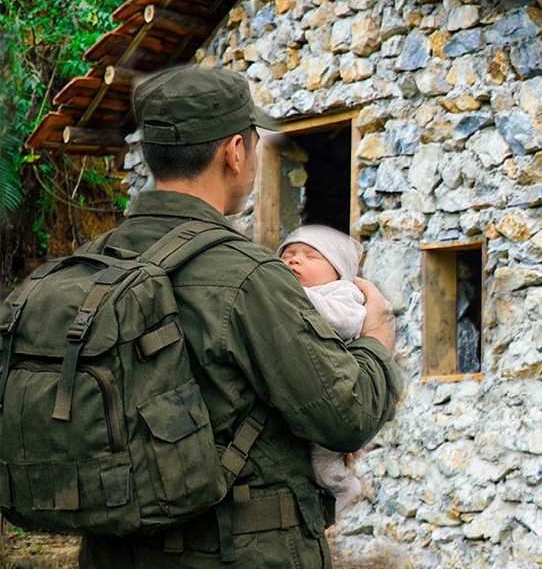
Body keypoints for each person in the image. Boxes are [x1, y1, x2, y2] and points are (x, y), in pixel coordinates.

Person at [78, 64, 403, 568]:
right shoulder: (249, 278)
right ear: (234, 151)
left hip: (111, 552)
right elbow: (347, 416)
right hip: (237, 553)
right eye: (254, 145)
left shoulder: (93, 262)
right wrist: (378, 334)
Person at [278, 225, 368, 517]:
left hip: (332, 392)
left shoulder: (344, 293)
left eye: (310, 256)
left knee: (325, 461)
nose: (294, 260)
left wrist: (299, 296)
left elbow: (345, 322)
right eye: (288, 255)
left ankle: (343, 492)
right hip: (298, 390)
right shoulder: (281, 296)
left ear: (338, 269)